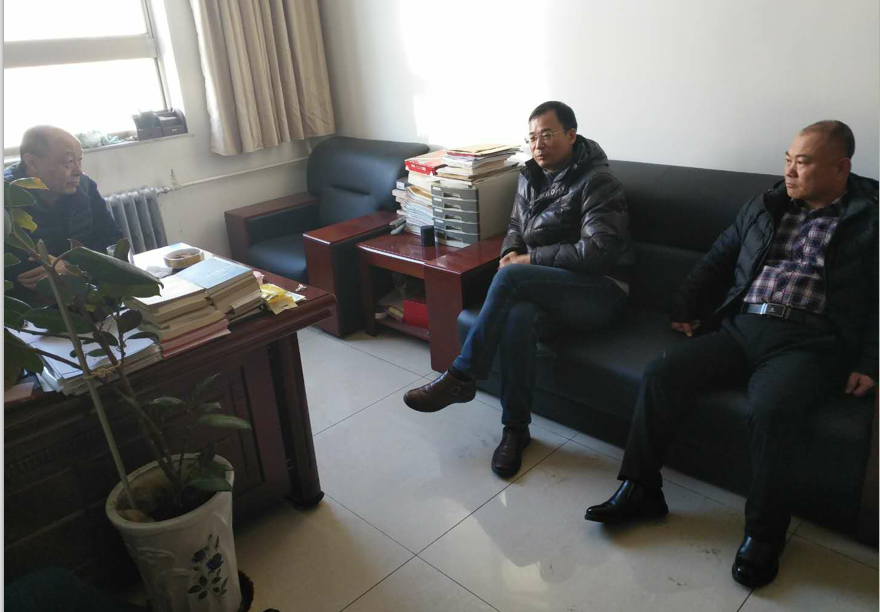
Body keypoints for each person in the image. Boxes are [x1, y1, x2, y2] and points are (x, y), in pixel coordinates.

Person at [584, 120, 878, 588]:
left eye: (802, 163)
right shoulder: (765, 204)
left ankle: (764, 534)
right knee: (662, 373)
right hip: (742, 326)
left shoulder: (869, 218)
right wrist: (685, 307)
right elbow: (719, 256)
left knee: (773, 408)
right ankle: (640, 489)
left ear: (841, 168)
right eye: (788, 159)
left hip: (809, 341)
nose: (789, 171)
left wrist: (869, 361)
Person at [404, 101, 635, 478]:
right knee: (518, 316)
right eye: (532, 137)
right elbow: (516, 225)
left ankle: (462, 375)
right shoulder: (530, 176)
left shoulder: (598, 181)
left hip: (601, 290)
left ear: (571, 135)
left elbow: (599, 251)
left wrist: (528, 260)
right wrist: (510, 251)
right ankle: (515, 430)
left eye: (547, 134)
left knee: (512, 277)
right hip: (552, 290)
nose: (538, 144)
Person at [4, 125, 122, 295]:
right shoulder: (7, 200)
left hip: (88, 291)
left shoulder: (85, 186)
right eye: (69, 162)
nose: (78, 171)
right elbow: (21, 273)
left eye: (79, 160)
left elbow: (115, 244)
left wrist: (71, 269)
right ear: (32, 163)